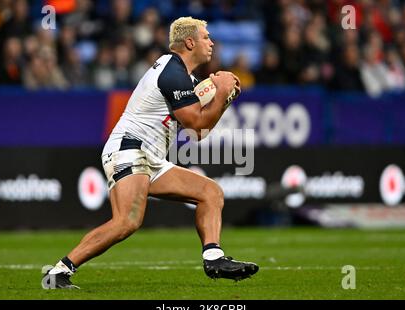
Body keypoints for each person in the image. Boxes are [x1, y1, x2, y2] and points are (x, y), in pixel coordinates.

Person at [41, 16, 259, 289]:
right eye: (205, 37)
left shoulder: (183, 76)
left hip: (151, 157)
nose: (211, 42)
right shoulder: (172, 72)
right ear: (189, 42)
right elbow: (196, 125)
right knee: (127, 222)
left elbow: (199, 132)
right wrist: (221, 92)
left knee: (210, 193)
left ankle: (213, 258)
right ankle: (59, 272)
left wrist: (221, 99)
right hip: (129, 148)